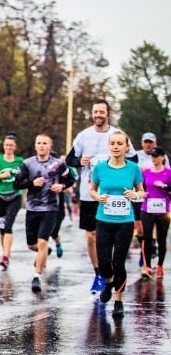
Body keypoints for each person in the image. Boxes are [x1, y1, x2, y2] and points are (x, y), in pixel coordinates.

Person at [66, 99, 137, 294]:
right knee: (91, 236)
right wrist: (79, 161)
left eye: (101, 112)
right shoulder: (83, 136)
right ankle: (99, 273)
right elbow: (69, 159)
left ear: (108, 114)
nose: (98, 115)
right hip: (89, 193)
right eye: (95, 112)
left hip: (115, 196)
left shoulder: (117, 136)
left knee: (110, 236)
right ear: (92, 113)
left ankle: (112, 268)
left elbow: (134, 158)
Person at [89, 130, 145, 318]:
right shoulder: (100, 168)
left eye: (120, 143)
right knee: (104, 263)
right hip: (103, 220)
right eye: (112, 143)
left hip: (125, 222)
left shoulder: (133, 168)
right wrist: (98, 197)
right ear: (109, 146)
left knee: (118, 263)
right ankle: (109, 281)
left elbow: (142, 192)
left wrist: (135, 195)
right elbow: (92, 189)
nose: (115, 147)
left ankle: (118, 301)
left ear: (127, 147)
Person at [13, 135, 75, 292]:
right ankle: (45, 252)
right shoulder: (27, 164)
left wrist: (62, 186)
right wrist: (31, 183)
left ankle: (37, 277)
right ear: (35, 146)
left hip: (50, 208)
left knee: (42, 242)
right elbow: (16, 184)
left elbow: (71, 179)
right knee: (31, 245)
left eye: (45, 143)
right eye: (39, 143)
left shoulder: (58, 164)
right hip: (32, 208)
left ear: (50, 146)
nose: (41, 146)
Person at [0, 133, 24, 270]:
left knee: (8, 226)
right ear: (4, 146)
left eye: (11, 145)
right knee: (2, 228)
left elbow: (25, 176)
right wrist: (1, 175)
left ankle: (6, 256)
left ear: (15, 147)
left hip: (15, 197)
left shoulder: (20, 161)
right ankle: (5, 253)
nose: (8, 147)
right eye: (6, 145)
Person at [139, 146, 171, 279]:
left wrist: (165, 187)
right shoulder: (146, 173)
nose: (154, 159)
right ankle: (147, 266)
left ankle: (160, 265)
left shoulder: (169, 173)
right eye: (152, 156)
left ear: (162, 157)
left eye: (156, 156)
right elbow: (140, 188)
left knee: (161, 238)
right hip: (147, 208)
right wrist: (142, 193)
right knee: (147, 236)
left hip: (163, 210)